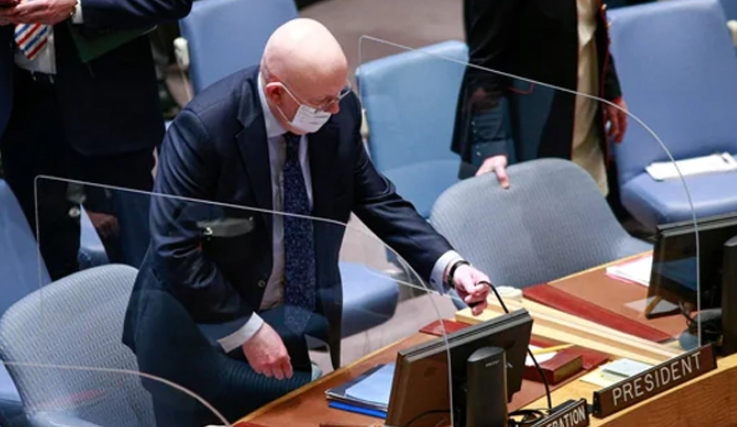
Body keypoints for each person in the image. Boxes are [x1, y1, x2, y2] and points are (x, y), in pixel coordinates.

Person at [122, 18, 492, 426]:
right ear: (275, 93)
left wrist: (449, 266)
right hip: (198, 333)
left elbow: (376, 198)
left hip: (289, 322)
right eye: (322, 102)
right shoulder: (204, 128)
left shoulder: (337, 110)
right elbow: (175, 249)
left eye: (339, 94)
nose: (335, 109)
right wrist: (246, 330)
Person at [0, 0, 192, 279]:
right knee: (46, 273)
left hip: (108, 106)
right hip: (20, 110)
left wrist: (78, 5)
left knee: (141, 269)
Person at [451, 0, 629, 209]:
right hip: (528, 129)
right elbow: (485, 66)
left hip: (583, 121)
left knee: (586, 211)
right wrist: (492, 146)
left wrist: (610, 89)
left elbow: (591, 25)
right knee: (537, 216)